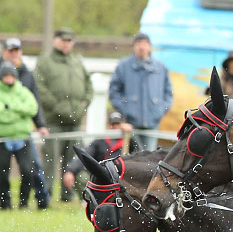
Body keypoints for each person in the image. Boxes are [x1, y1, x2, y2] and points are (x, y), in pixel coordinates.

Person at [35, 27, 92, 202]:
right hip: (53, 121)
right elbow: (40, 88)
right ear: (55, 40)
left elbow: (89, 88)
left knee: (73, 160)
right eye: (63, 40)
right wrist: (57, 107)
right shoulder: (45, 62)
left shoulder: (77, 62)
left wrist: (83, 105)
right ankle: (47, 195)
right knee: (50, 161)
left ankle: (67, 195)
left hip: (74, 121)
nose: (66, 44)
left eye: (69, 41)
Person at [3, 37, 50, 207]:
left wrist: (41, 124)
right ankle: (5, 204)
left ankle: (42, 202)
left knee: (32, 169)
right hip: (3, 132)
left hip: (23, 131)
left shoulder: (26, 73)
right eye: (11, 51)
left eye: (17, 51)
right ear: (4, 52)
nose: (14, 54)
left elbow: (33, 102)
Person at [108, 33, 173, 151]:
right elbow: (114, 91)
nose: (141, 47)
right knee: (132, 157)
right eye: (138, 44)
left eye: (144, 44)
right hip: (131, 123)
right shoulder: (123, 66)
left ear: (149, 46)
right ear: (134, 47)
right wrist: (125, 110)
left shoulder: (160, 67)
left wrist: (160, 110)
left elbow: (168, 92)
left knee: (149, 157)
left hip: (152, 122)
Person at [63, 112, 140, 193]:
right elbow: (85, 156)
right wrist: (70, 171)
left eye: (118, 125)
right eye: (113, 124)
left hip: (122, 177)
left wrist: (131, 135)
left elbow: (140, 154)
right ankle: (91, 200)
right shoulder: (99, 142)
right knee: (81, 177)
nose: (115, 127)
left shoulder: (129, 141)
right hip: (103, 176)